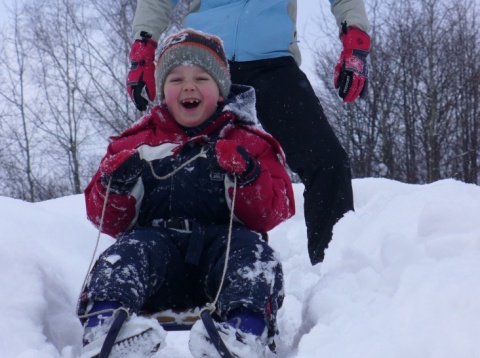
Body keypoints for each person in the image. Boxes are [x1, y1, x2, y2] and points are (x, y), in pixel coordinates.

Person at [78, 29, 295, 358]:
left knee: (251, 254)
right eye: (176, 79)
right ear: (163, 91)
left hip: (221, 259)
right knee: (126, 252)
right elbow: (103, 218)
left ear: (221, 91)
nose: (189, 86)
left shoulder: (248, 141)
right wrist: (115, 185)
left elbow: (275, 211)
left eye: (201, 78)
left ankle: (244, 331)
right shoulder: (136, 142)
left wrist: (248, 175)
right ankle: (106, 327)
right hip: (157, 261)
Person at [127, 0, 371, 266]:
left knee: (327, 162)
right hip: (204, 63)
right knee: (189, 167)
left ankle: (334, 270)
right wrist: (143, 45)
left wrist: (355, 41)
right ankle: (176, 268)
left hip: (274, 64)